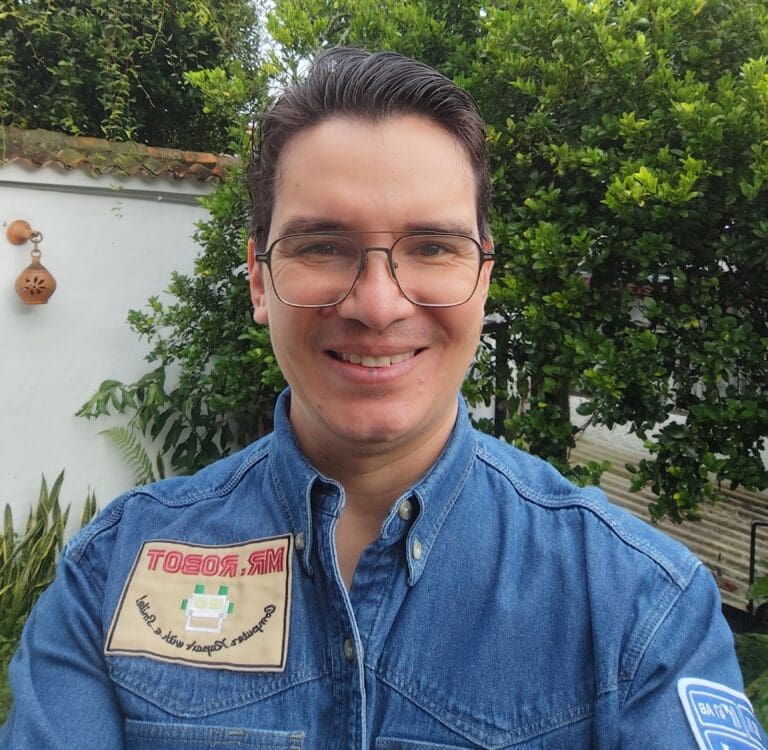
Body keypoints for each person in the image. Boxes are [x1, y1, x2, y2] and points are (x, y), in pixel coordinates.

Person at [1, 47, 765, 750]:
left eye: (432, 247)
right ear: (261, 280)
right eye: (322, 247)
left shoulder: (639, 607)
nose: (377, 303)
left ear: (483, 276)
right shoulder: (111, 574)